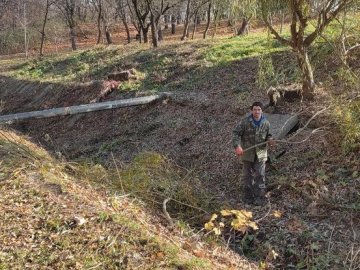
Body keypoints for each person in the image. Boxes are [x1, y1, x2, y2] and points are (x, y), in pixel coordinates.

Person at [232, 101, 274, 205]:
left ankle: (260, 197)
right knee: (247, 176)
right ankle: (248, 196)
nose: (257, 111)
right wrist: (237, 146)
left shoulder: (266, 123)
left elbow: (269, 135)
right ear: (252, 110)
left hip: (261, 153)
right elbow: (236, 133)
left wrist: (270, 140)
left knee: (260, 174)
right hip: (247, 153)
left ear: (262, 111)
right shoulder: (245, 122)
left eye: (259, 109)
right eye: (255, 109)